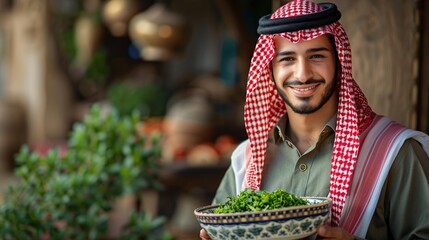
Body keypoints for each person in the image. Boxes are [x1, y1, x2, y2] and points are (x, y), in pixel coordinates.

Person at [200, 0, 429, 239]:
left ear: (338, 62)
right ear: (270, 70)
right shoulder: (245, 161)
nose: (302, 74)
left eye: (316, 56)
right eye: (287, 59)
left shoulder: (394, 151)